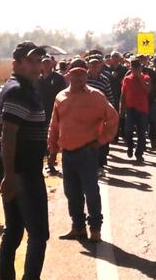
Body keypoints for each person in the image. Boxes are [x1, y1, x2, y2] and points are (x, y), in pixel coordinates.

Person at [0, 42, 50, 280]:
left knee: (14, 231)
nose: (37, 65)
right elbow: (9, 135)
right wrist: (11, 175)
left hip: (19, 170)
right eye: (30, 60)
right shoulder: (17, 90)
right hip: (23, 172)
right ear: (15, 63)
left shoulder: (25, 88)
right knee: (38, 234)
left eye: (39, 59)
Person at [49, 59, 119, 243]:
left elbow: (112, 119)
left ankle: (95, 228)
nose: (79, 77)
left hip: (87, 153)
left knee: (91, 191)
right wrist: (52, 150)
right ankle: (77, 227)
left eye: (82, 73)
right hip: (68, 154)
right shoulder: (60, 97)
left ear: (87, 75)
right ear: (68, 75)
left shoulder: (97, 97)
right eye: (75, 73)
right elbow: (54, 126)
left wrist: (101, 140)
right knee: (71, 193)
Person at [37, 55, 67, 174]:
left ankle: (52, 162)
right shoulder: (37, 80)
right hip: (40, 114)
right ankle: (46, 163)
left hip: (56, 112)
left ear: (52, 64)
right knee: (43, 139)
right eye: (43, 62)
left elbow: (63, 94)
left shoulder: (58, 78)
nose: (45, 65)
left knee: (54, 138)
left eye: (47, 62)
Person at [121, 58, 151, 163]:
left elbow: (147, 90)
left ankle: (139, 153)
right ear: (131, 68)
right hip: (130, 109)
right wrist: (122, 109)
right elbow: (123, 94)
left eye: (137, 68)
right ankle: (130, 146)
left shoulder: (146, 77)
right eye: (133, 68)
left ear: (140, 68)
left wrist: (140, 78)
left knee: (141, 132)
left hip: (142, 109)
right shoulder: (127, 79)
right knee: (128, 130)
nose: (135, 70)